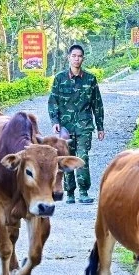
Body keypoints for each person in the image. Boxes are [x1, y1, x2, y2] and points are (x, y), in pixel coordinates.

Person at [48, 44, 105, 204]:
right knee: (67, 158)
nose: (76, 59)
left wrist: (100, 127)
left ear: (83, 58)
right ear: (68, 57)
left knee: (82, 157)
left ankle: (84, 191)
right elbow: (53, 102)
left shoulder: (90, 79)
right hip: (65, 127)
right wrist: (55, 122)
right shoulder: (59, 79)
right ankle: (70, 192)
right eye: (74, 56)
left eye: (79, 56)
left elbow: (97, 104)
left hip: (84, 126)